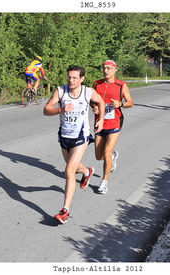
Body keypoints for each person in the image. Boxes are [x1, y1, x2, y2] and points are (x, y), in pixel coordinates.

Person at [43, 65, 105, 224]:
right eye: (69, 77)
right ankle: (86, 171)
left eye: (75, 78)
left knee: (69, 170)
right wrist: (61, 110)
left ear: (82, 79)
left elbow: (101, 101)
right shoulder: (60, 91)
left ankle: (65, 211)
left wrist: (101, 120)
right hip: (64, 136)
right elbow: (46, 110)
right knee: (74, 167)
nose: (71, 80)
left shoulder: (87, 92)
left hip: (81, 136)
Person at [91, 60, 133, 194]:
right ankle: (113, 158)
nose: (106, 70)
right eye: (104, 68)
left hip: (114, 122)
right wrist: (94, 107)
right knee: (99, 156)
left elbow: (130, 103)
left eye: (109, 68)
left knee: (107, 151)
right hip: (100, 122)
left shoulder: (121, 85)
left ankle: (104, 182)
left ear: (115, 70)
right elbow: (91, 101)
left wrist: (120, 104)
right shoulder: (96, 84)